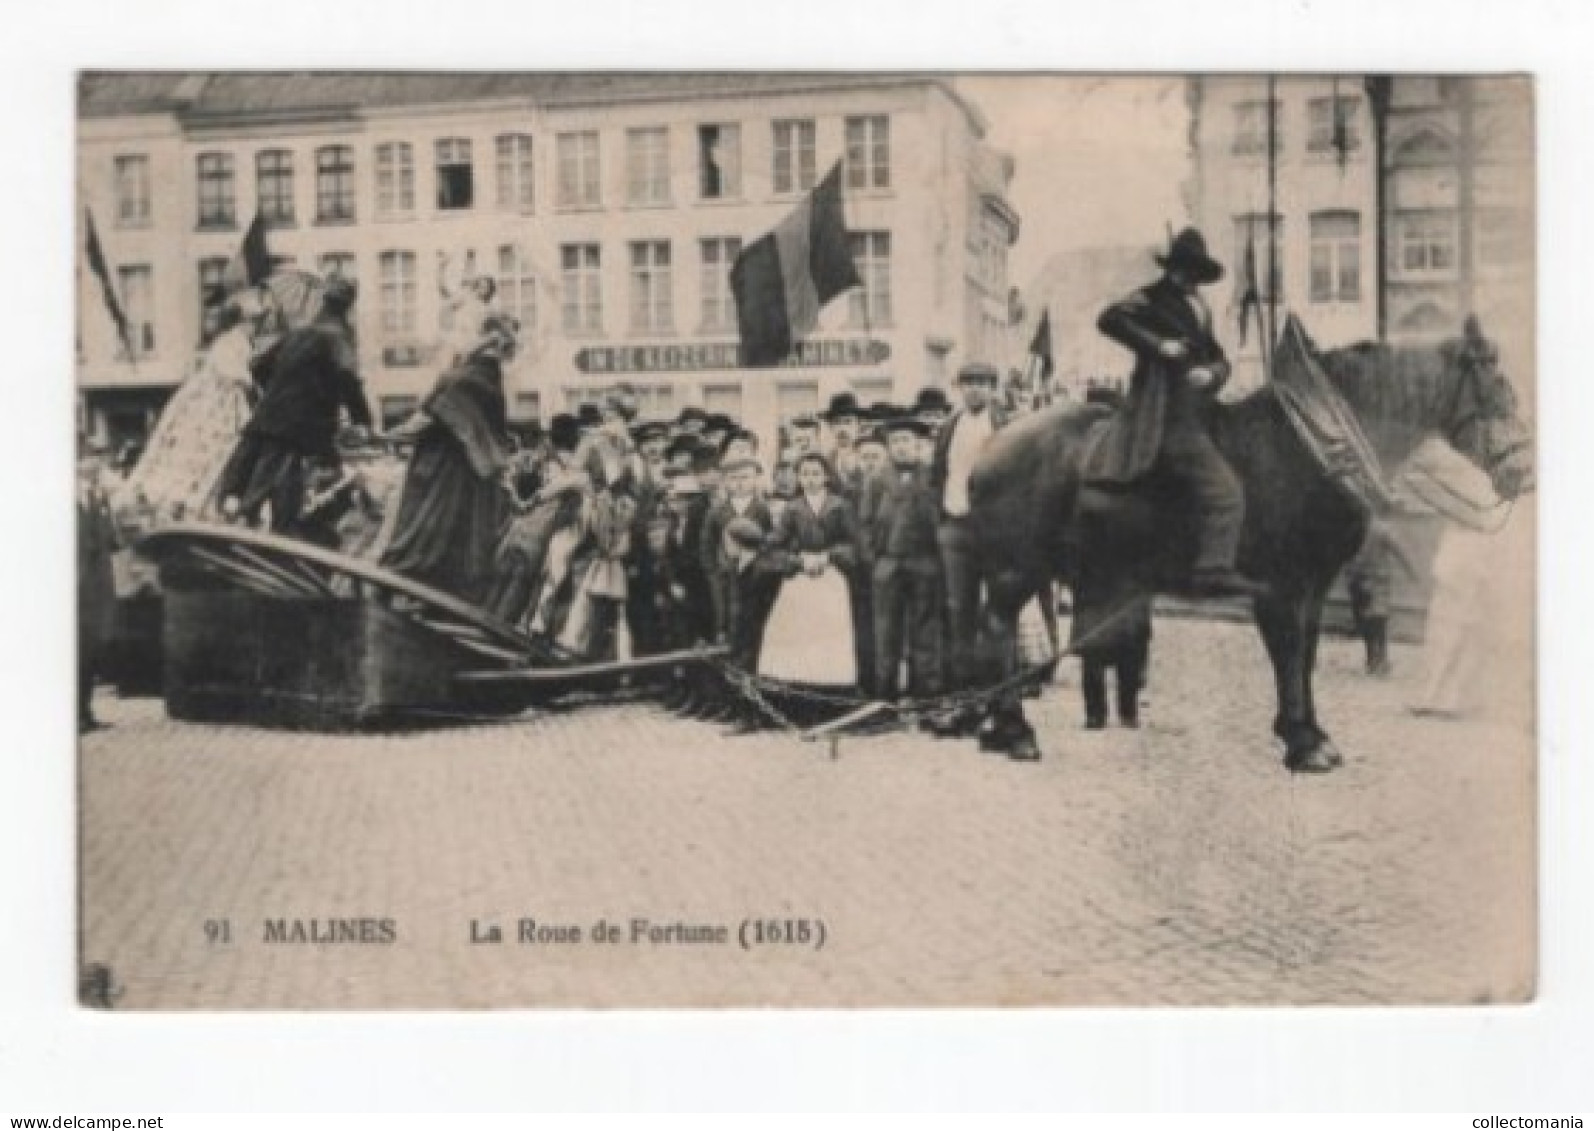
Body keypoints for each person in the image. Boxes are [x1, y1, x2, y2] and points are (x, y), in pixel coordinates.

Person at [1084, 227, 1260, 599]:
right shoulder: (1149, 298)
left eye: (1195, 272)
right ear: (1174, 269)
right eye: (1186, 270)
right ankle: (1213, 569)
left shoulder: (1201, 308)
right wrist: (1158, 345)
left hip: (1203, 413)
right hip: (1165, 418)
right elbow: (1108, 319)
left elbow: (1219, 359)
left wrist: (1209, 373)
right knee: (1227, 493)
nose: (1190, 279)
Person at [379, 314, 518, 604]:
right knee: (461, 536)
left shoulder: (462, 378)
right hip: (473, 473)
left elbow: (425, 418)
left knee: (424, 527)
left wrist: (384, 437)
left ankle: (396, 582)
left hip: (444, 469)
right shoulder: (490, 383)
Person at [217, 277, 372, 535]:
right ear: (348, 307)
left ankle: (236, 525)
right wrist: (363, 422)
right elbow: (349, 381)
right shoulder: (337, 337)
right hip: (297, 430)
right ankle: (275, 539)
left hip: (264, 421)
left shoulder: (298, 333)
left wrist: (278, 392)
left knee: (242, 487)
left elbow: (257, 366)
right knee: (285, 493)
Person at [118, 295, 262, 524]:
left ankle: (206, 507)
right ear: (243, 322)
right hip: (219, 406)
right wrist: (248, 378)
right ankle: (188, 506)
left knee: (221, 455)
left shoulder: (240, 344)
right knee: (205, 452)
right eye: (254, 322)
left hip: (229, 404)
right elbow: (230, 370)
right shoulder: (230, 342)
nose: (256, 327)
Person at [926, 362, 1009, 729]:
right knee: (958, 613)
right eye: (969, 383)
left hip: (992, 531)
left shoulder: (1008, 424)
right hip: (954, 528)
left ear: (994, 388)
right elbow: (937, 475)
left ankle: (999, 697)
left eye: (983, 384)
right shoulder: (948, 426)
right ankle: (961, 698)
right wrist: (940, 521)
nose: (975, 390)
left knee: (996, 615)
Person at [758, 452, 860, 689]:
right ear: (798, 478)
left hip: (831, 575)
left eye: (816, 473)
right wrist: (797, 560)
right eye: (805, 474)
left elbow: (853, 543)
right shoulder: (793, 508)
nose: (810, 479)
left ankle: (831, 686)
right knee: (797, 632)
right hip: (801, 576)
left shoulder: (840, 506)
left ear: (826, 476)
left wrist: (829, 556)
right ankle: (797, 686)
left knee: (829, 632)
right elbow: (775, 544)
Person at [861, 414, 945, 701]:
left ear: (918, 444)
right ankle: (884, 699)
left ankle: (926, 699)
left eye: (906, 440)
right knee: (886, 634)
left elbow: (942, 519)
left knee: (926, 633)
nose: (900, 446)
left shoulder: (933, 477)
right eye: (894, 441)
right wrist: (875, 559)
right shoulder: (876, 481)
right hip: (888, 564)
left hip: (925, 563)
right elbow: (865, 523)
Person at [700, 456, 775, 646]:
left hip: (756, 572)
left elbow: (771, 539)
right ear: (725, 481)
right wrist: (713, 570)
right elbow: (707, 543)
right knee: (725, 611)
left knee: (755, 612)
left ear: (755, 479)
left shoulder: (763, 509)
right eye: (734, 478)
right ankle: (727, 643)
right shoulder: (717, 511)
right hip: (725, 572)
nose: (739, 483)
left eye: (745, 478)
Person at [78, 438, 119, 732]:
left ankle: (85, 711)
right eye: (91, 458)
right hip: (77, 582)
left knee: (93, 647)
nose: (96, 464)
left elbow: (111, 540)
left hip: (97, 583)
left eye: (98, 458)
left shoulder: (98, 496)